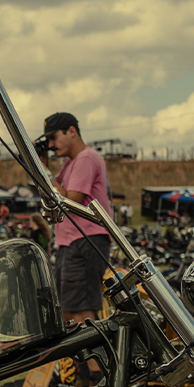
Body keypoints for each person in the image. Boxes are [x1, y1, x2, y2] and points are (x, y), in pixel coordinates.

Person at [39, 112, 112, 326]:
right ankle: (85, 361)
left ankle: (97, 360)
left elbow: (70, 200)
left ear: (71, 131)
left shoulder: (86, 158)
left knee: (81, 315)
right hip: (72, 242)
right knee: (68, 314)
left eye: (53, 138)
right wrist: (42, 167)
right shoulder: (71, 163)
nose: (51, 145)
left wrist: (45, 170)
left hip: (85, 240)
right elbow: (52, 192)